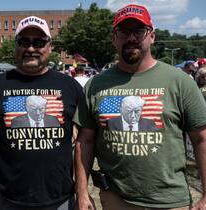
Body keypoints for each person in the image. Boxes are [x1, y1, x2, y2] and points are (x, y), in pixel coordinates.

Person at [73, 4, 206, 210]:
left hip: (170, 201)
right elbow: (85, 141)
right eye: (124, 32)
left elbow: (201, 139)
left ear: (151, 36)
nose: (131, 38)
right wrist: (82, 193)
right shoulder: (96, 85)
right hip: (116, 199)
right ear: (113, 38)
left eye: (139, 31)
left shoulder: (179, 81)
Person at [0, 15, 83, 210]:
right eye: (24, 42)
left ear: (49, 46)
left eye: (38, 42)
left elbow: (84, 138)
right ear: (16, 45)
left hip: (61, 198)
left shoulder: (70, 87)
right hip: (8, 199)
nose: (31, 49)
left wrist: (82, 190)